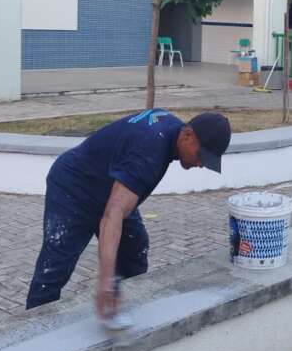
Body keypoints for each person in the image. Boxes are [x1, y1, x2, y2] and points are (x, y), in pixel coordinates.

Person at [25, 110, 231, 320]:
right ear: (187, 136)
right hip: (74, 188)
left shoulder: (169, 129)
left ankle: (122, 312)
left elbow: (117, 202)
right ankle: (29, 332)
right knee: (54, 268)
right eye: (201, 156)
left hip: (111, 186)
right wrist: (105, 280)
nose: (201, 164)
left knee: (134, 247)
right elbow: (112, 215)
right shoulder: (149, 150)